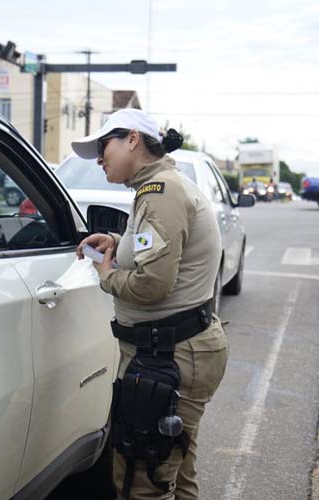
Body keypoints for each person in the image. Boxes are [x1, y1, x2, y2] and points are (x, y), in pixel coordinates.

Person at [73, 109, 229, 500]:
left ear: (132, 141)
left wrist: (107, 274)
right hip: (173, 351)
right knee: (175, 470)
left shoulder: (161, 193)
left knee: (143, 481)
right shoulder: (159, 188)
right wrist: (116, 242)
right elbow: (152, 253)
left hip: (169, 356)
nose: (98, 159)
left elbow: (153, 284)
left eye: (102, 146)